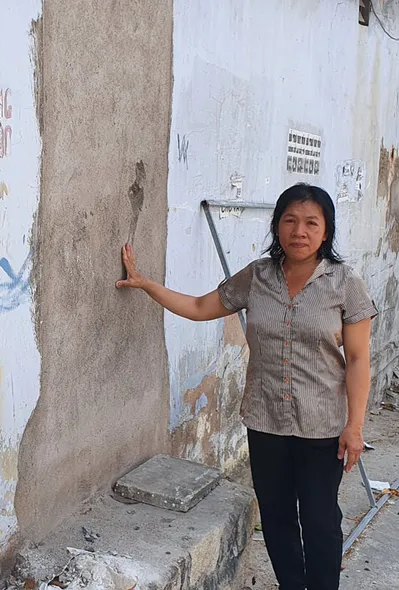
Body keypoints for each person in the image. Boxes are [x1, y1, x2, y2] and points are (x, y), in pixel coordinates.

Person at [115, 183, 376, 590]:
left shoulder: (345, 283)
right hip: (265, 420)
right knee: (275, 517)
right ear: (277, 226)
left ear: (326, 231)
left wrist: (354, 426)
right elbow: (200, 307)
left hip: (322, 425)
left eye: (311, 223)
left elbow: (358, 360)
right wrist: (147, 284)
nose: (299, 231)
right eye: (290, 220)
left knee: (320, 519)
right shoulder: (258, 276)